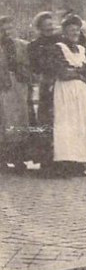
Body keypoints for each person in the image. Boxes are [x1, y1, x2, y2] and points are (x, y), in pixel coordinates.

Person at [48, 13, 86, 176]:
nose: (75, 33)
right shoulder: (58, 48)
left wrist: (77, 72)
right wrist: (79, 73)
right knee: (66, 124)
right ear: (64, 32)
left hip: (81, 93)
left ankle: (80, 162)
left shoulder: (83, 50)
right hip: (64, 92)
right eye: (71, 30)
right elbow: (61, 72)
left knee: (81, 124)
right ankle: (66, 162)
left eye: (77, 30)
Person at [0, 15, 31, 170]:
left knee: (20, 120)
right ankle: (3, 159)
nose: (6, 32)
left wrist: (23, 72)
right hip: (3, 86)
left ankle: (18, 158)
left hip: (19, 85)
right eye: (2, 29)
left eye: (9, 28)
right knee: (4, 121)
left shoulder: (21, 45)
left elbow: (29, 62)